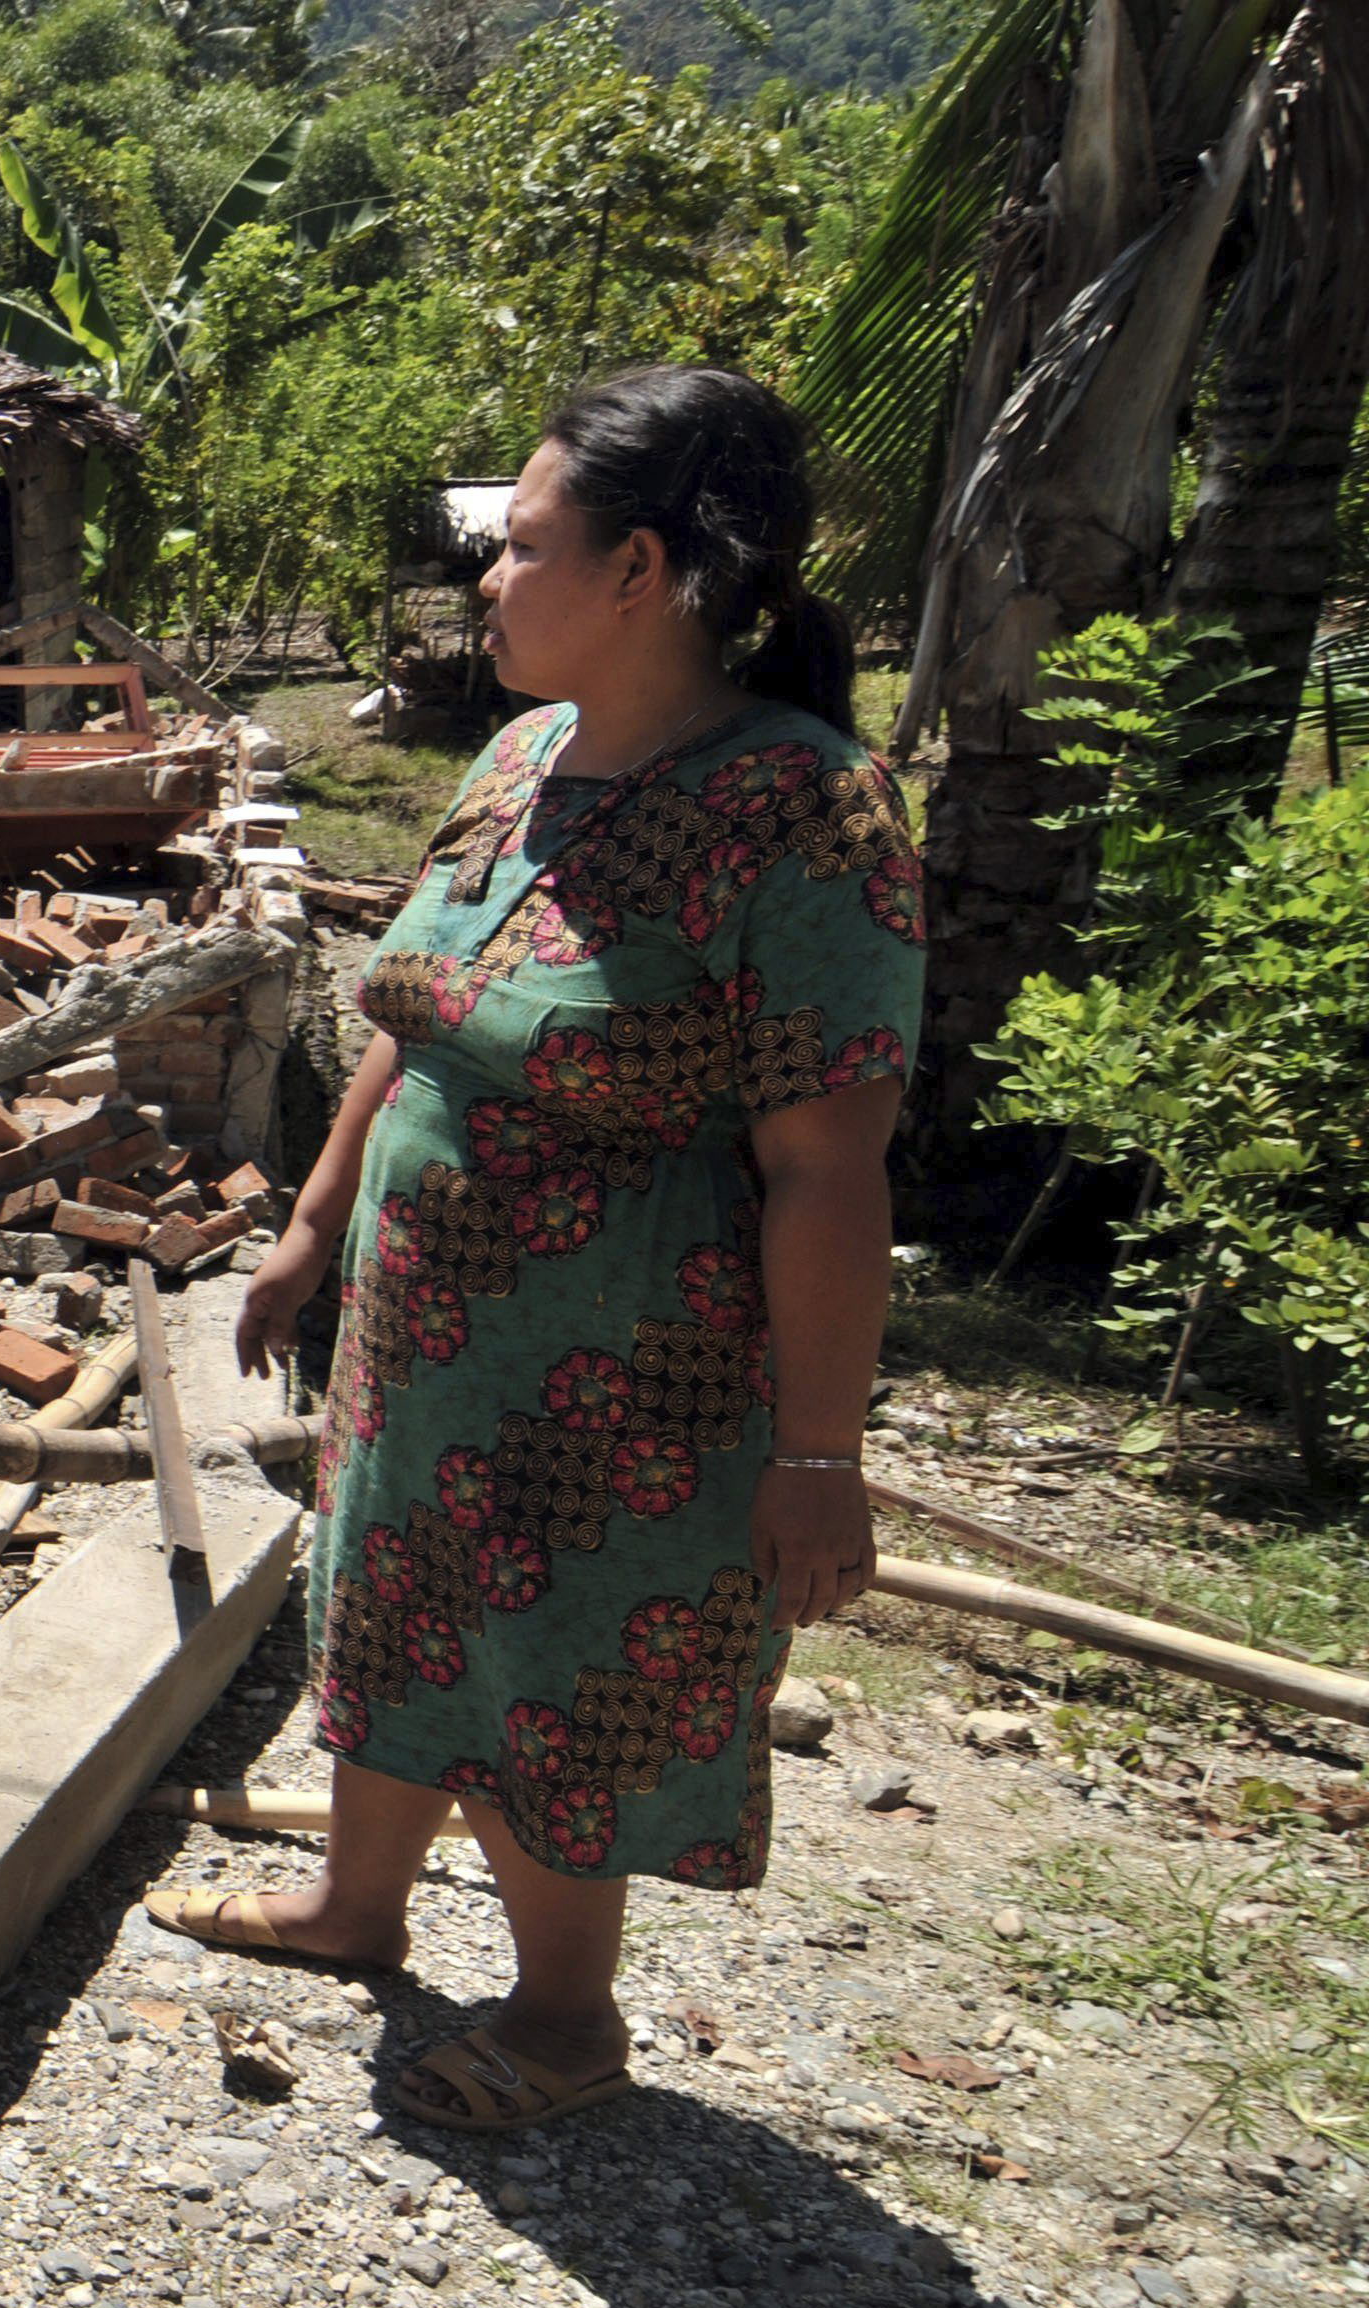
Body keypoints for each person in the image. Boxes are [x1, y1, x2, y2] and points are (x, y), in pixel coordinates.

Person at [146, 363, 928, 2133]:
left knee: (557, 1668)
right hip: (426, 1349)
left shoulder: (807, 816)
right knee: (393, 1606)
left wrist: (821, 1452)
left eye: (524, 546)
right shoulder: (516, 760)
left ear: (642, 569)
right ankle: (358, 1907)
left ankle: (567, 2017)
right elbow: (419, 1016)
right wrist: (312, 1223)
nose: (490, 581)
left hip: (624, 1385)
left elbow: (827, 1170)